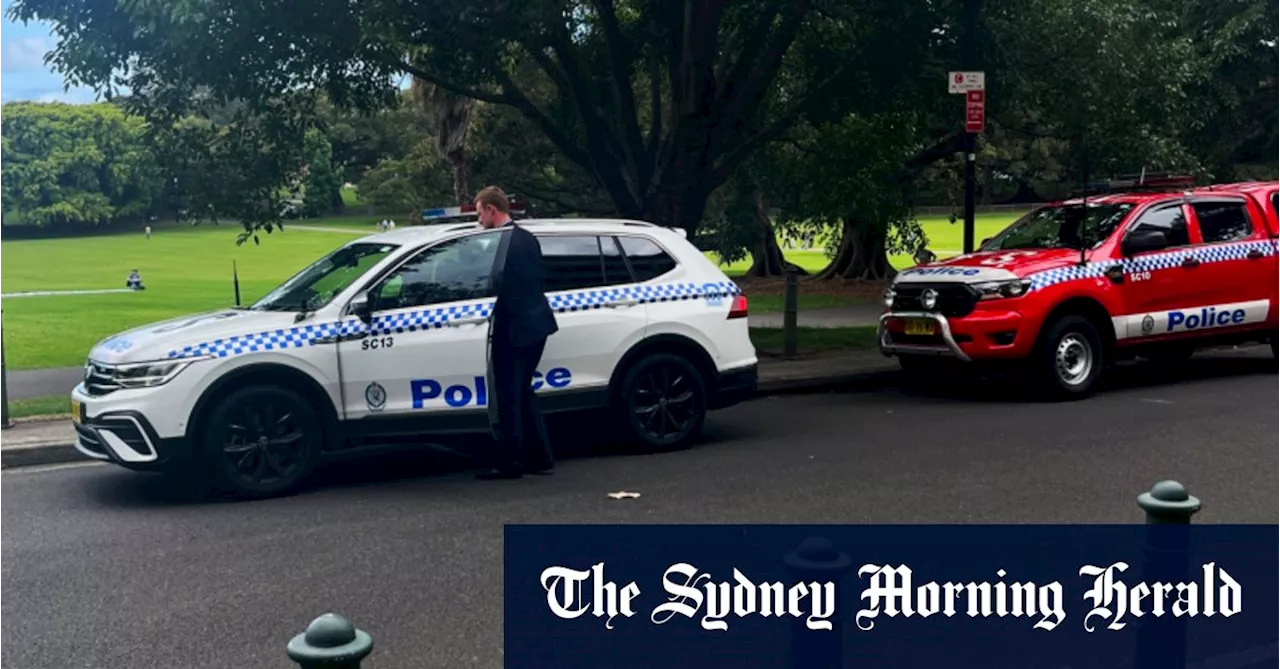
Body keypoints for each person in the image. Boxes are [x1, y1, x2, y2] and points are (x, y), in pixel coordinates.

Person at [473, 186, 559, 480]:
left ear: (491, 210)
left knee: (508, 394)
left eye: (479, 212)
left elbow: (497, 284)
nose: (478, 219)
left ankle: (511, 462)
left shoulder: (500, 243)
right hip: (538, 324)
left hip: (514, 327)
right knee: (524, 390)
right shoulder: (527, 238)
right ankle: (541, 458)